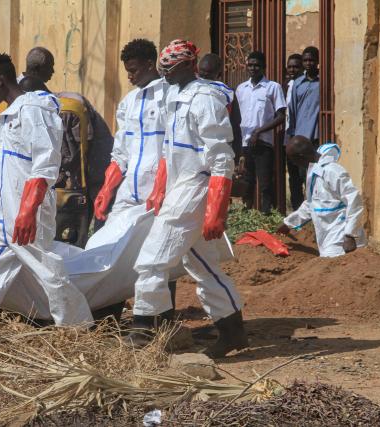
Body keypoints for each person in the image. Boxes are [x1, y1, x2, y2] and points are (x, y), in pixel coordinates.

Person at [0, 53, 93, 327]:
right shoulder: (7, 116)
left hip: (29, 209)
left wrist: (27, 210)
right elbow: (8, 168)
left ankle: (78, 325)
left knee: (46, 269)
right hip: (8, 209)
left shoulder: (34, 110)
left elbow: (44, 165)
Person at [126, 39, 247, 358]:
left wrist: (217, 209)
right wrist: (160, 188)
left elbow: (222, 156)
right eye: (163, 64)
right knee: (202, 264)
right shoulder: (172, 95)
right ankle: (233, 331)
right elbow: (169, 149)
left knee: (151, 260)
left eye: (171, 65)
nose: (164, 69)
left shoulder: (206, 97)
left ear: (188, 65)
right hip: (180, 187)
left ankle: (144, 331)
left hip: (197, 187)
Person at [91, 38, 175, 317]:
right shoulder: (128, 102)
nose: (129, 76)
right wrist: (106, 190)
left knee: (157, 254)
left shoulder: (169, 96)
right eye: (127, 70)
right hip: (130, 189)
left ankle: (160, 317)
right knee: (110, 244)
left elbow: (170, 147)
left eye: (134, 70)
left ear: (150, 65)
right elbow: (120, 153)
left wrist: (161, 188)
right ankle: (108, 310)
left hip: (159, 189)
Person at [19, 76, 114, 245]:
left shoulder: (70, 105)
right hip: (76, 170)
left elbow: (84, 147)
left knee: (101, 210)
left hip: (98, 164)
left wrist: (61, 172)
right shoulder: (43, 109)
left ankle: (98, 252)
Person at [278, 136, 366, 257]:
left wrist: (350, 234)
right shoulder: (315, 172)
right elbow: (312, 204)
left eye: (293, 160)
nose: (294, 164)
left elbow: (354, 200)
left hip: (342, 241)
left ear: (301, 157)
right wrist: (288, 223)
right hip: (329, 240)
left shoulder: (333, 172)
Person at [235, 51, 286, 214]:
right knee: (246, 182)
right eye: (250, 65)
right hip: (245, 143)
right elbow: (236, 117)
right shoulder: (241, 89)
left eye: (256, 65)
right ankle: (246, 216)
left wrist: (259, 131)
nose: (253, 68)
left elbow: (281, 116)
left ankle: (266, 216)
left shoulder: (273, 87)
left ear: (263, 67)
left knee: (265, 183)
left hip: (263, 143)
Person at [197, 53, 242, 155]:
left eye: (207, 74)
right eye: (201, 73)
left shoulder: (228, 96)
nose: (203, 78)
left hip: (218, 151)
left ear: (219, 75)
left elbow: (235, 124)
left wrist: (237, 154)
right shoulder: (190, 91)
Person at [284, 53, 305, 210]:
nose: (292, 69)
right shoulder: (286, 85)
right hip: (288, 136)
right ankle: (296, 208)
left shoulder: (304, 85)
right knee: (293, 176)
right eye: (290, 66)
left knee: (304, 174)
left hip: (302, 135)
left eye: (296, 66)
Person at [287, 46, 320, 145]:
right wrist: (292, 133)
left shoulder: (323, 81)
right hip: (300, 133)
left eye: (311, 60)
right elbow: (292, 109)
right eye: (305, 60)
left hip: (317, 133)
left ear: (318, 61)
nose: (308, 63)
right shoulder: (297, 83)